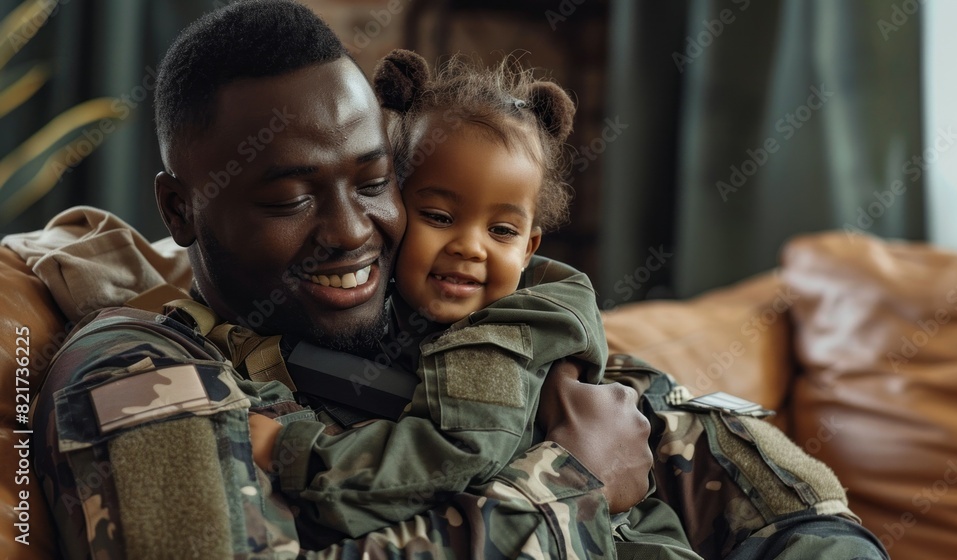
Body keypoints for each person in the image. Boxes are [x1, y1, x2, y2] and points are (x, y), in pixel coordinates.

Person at [30, 1, 653, 559]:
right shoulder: (135, 373)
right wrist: (577, 485)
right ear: (178, 209)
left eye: (375, 182)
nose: (355, 231)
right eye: (290, 199)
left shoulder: (448, 305)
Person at [247, 48, 699, 558]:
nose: (470, 246)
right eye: (439, 216)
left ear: (529, 249)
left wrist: (288, 452)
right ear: (391, 209)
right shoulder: (389, 311)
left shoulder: (503, 334)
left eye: (501, 230)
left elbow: (454, 455)